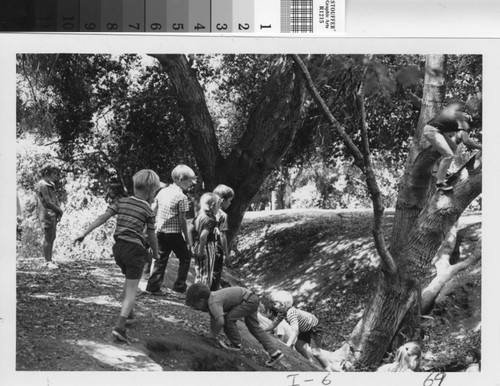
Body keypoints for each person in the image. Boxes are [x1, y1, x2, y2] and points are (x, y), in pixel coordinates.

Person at [74, 169, 160, 343]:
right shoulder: (148, 210)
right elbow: (151, 236)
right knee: (132, 292)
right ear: (151, 191)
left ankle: (129, 314)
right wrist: (157, 253)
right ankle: (120, 328)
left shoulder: (122, 202)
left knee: (129, 281)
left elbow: (103, 218)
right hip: (134, 250)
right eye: (155, 192)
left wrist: (84, 233)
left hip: (118, 249)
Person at [185, 283, 284, 367]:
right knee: (254, 327)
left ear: (202, 300)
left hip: (247, 301)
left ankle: (235, 344)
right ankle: (275, 353)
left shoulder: (213, 302)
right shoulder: (212, 299)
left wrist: (213, 334)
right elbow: (213, 318)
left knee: (228, 319)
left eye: (195, 305)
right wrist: (211, 332)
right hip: (251, 298)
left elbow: (220, 321)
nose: (195, 308)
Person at [145, 165, 196, 296]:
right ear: (180, 179)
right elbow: (183, 220)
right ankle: (179, 287)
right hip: (174, 233)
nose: (192, 184)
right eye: (190, 181)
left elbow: (154, 209)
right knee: (185, 258)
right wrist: (187, 238)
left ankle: (152, 287)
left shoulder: (162, 191)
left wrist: (151, 226)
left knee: (160, 258)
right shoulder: (182, 197)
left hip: (160, 231)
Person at [423, 101, 482, 191]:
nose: (473, 128)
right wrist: (481, 147)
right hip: (432, 130)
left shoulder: (462, 115)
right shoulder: (465, 119)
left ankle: (444, 171)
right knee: (449, 155)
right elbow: (466, 140)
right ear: (475, 121)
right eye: (477, 126)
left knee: (454, 147)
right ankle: (440, 182)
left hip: (437, 130)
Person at [264, 290, 330, 368]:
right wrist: (262, 330)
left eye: (274, 304)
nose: (273, 306)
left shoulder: (291, 313)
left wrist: (287, 344)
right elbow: (274, 324)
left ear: (282, 305)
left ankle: (329, 370)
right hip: (305, 329)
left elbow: (295, 331)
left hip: (314, 328)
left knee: (316, 353)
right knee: (298, 346)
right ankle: (310, 362)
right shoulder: (282, 313)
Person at [36, 162, 64, 269]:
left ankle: (50, 259)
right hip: (46, 214)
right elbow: (48, 202)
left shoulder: (50, 185)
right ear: (47, 172)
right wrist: (59, 210)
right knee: (48, 236)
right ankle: (47, 261)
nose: (56, 176)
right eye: (54, 173)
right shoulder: (42, 185)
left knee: (52, 236)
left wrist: (57, 211)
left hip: (52, 214)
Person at [193, 193, 219, 287]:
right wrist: (201, 251)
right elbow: (203, 236)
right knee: (206, 275)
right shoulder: (210, 221)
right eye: (218, 205)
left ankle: (196, 294)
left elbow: (191, 230)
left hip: (197, 244)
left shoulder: (198, 217)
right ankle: (203, 296)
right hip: (206, 246)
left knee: (199, 273)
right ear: (212, 206)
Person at [211, 184, 234, 290]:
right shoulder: (222, 215)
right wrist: (226, 253)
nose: (230, 203)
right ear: (222, 200)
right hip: (216, 248)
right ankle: (213, 294)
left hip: (204, 245)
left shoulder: (204, 211)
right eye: (229, 201)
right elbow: (222, 235)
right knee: (216, 273)